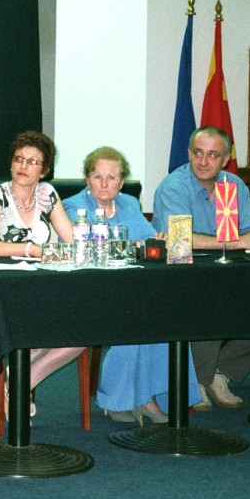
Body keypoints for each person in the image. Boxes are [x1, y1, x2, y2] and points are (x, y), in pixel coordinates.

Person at [65, 146, 204, 423]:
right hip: (90, 291)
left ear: (122, 181)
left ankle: (158, 396)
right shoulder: (72, 207)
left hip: (129, 288)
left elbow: (147, 240)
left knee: (167, 313)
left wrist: (158, 240)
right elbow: (82, 250)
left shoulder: (129, 203)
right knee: (135, 317)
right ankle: (127, 399)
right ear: (87, 179)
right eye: (97, 176)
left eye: (112, 177)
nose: (104, 184)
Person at [151, 126, 250, 410]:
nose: (203, 161)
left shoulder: (234, 185)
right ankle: (196, 378)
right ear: (188, 153)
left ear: (226, 159)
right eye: (198, 153)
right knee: (211, 303)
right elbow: (179, 239)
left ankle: (219, 373)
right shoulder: (173, 186)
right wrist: (239, 241)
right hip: (182, 277)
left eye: (212, 155)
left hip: (228, 274)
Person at [0, 130, 80, 418]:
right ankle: (17, 385)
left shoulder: (48, 195)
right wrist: (30, 249)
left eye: (33, 162)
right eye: (19, 159)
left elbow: (71, 240)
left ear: (44, 171)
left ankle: (19, 383)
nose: (23, 166)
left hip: (41, 283)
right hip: (5, 287)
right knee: (46, 327)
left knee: (82, 330)